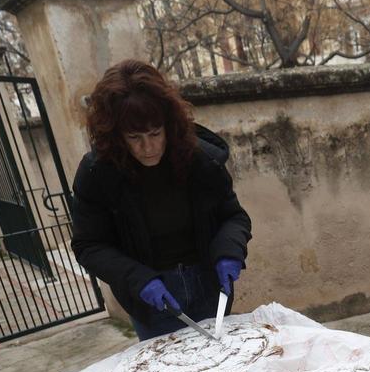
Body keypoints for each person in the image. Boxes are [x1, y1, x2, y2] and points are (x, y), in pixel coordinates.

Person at [71, 60, 252, 341]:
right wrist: (137, 279)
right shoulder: (98, 174)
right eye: (135, 137)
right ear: (116, 136)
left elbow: (233, 216)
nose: (149, 147)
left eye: (156, 133)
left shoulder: (200, 160)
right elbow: (88, 245)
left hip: (208, 282)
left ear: (169, 125)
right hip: (152, 297)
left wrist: (229, 251)